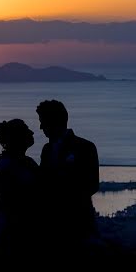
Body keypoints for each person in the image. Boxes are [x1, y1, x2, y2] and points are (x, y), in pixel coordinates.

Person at [36, 99, 100, 242]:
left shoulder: (85, 147)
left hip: (78, 222)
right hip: (51, 224)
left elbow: (92, 185)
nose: (40, 127)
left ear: (56, 121)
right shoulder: (46, 150)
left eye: (43, 121)